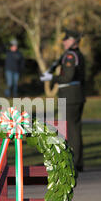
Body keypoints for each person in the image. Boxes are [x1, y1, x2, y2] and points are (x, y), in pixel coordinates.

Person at [40, 30, 86, 172]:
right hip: (74, 94)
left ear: (73, 41)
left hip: (70, 94)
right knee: (73, 129)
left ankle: (75, 162)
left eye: (67, 39)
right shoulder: (76, 55)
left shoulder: (71, 56)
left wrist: (52, 78)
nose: (64, 42)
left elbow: (68, 77)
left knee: (71, 129)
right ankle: (76, 161)